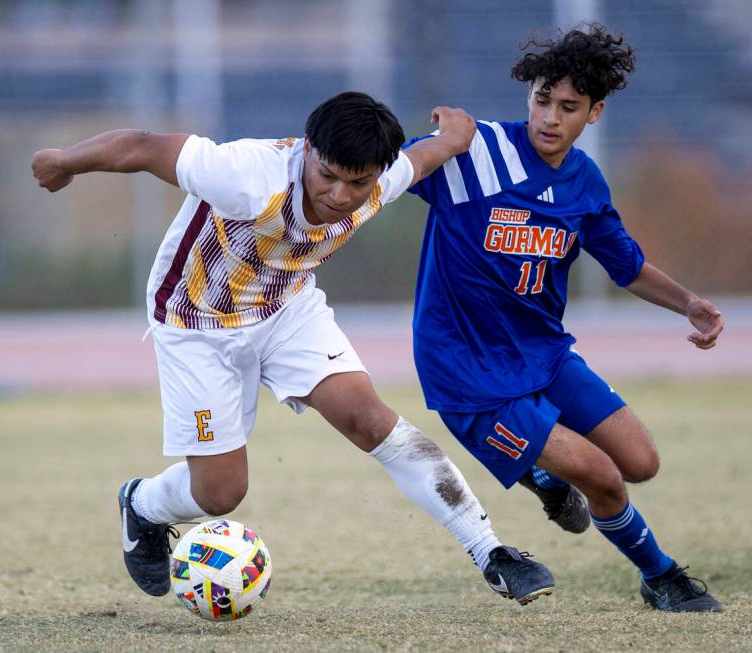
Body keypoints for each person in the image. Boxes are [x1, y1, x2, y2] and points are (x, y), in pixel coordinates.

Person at [31, 91, 554, 607]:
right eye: (327, 175)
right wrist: (64, 161)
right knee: (219, 495)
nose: (341, 196)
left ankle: (492, 553)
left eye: (359, 183)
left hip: (285, 308)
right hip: (196, 321)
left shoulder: (381, 179)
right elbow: (142, 147)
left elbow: (427, 155)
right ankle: (142, 504)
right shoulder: (244, 175)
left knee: (372, 421)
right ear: (307, 149)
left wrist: (454, 136)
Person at [406, 26, 725, 612]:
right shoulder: (474, 152)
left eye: (568, 107)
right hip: (467, 371)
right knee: (604, 477)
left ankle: (545, 476)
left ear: (594, 112)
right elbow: (380, 178)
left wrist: (689, 304)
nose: (550, 117)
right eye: (541, 99)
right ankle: (662, 577)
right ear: (529, 93)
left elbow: (625, 266)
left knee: (641, 463)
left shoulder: (584, 181)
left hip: (543, 353)